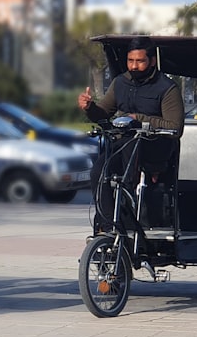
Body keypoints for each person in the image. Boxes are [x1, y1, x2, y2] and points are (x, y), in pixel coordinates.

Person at [77, 36, 184, 231]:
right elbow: (103, 114)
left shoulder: (167, 88)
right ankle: (109, 227)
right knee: (98, 172)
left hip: (156, 146)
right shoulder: (120, 83)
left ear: (152, 61)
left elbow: (175, 127)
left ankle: (131, 222)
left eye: (140, 61)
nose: (134, 66)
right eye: (130, 60)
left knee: (130, 156)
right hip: (126, 145)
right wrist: (90, 108)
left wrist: (140, 119)